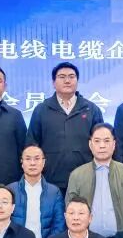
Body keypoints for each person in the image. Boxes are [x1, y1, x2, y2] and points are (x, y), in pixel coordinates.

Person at [26, 62, 105, 195]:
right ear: (53, 83)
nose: (67, 80)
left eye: (71, 77)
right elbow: (32, 144)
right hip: (50, 180)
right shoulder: (41, 110)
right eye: (62, 77)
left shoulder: (91, 109)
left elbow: (101, 143)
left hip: (85, 179)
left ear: (77, 81)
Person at [66, 124, 123, 237]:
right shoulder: (77, 175)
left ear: (114, 144)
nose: (102, 146)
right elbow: (70, 209)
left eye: (106, 141)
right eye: (97, 141)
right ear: (90, 144)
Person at [9, 144, 66, 238]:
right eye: (28, 159)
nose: (32, 163)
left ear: (43, 162)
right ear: (22, 163)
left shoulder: (54, 192)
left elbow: (59, 224)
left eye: (37, 159)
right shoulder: (10, 190)